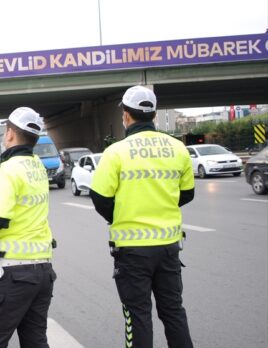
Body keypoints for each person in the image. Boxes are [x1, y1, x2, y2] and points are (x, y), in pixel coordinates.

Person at [90, 85, 195, 348]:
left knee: (137, 317)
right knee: (174, 313)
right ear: (154, 115)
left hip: (132, 252)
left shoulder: (116, 152)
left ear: (126, 115)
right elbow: (187, 194)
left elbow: (100, 198)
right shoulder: (178, 148)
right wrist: (161, 205)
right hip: (169, 247)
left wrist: (123, 215)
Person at [0, 107, 56, 348]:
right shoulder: (37, 166)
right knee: (35, 341)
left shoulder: (6, 171)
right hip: (42, 269)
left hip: (12, 272)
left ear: (9, 134)